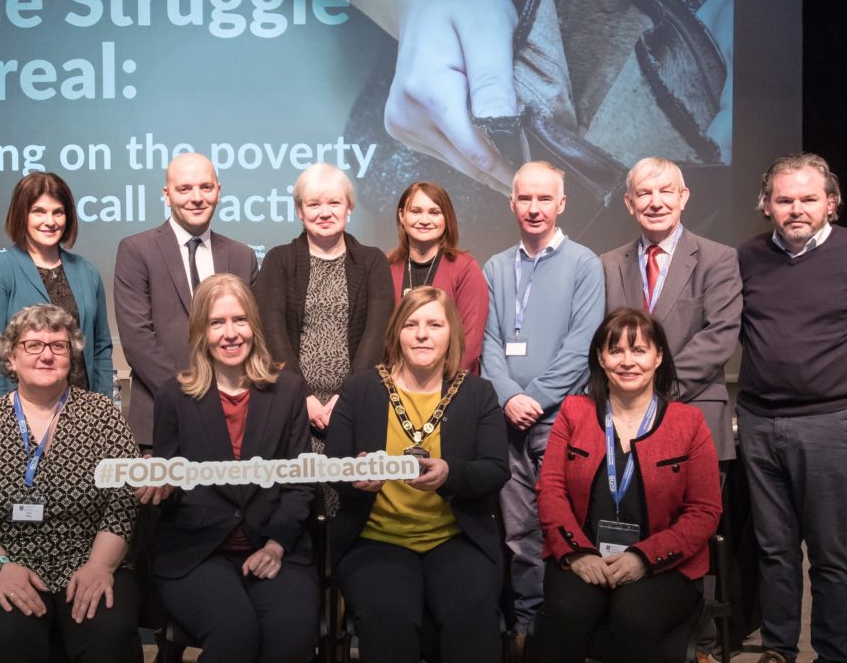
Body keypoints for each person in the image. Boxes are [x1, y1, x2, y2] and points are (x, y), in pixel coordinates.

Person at [737, 153, 847, 663]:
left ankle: (833, 655)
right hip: (759, 423)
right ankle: (778, 649)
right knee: (774, 549)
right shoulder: (747, 257)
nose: (796, 209)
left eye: (808, 199)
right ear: (766, 205)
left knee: (829, 553)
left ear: (831, 203)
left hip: (829, 425)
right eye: (784, 199)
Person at [0, 304, 142, 662]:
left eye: (58, 346)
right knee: (9, 638)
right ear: (11, 358)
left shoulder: (102, 415)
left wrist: (100, 566)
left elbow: (124, 496)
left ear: (71, 356)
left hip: (89, 558)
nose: (46, 355)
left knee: (109, 636)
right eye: (33, 345)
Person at [138, 274, 318, 663]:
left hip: (275, 544)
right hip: (197, 553)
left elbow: (300, 483)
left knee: (290, 639)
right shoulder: (174, 396)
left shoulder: (288, 390)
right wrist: (163, 487)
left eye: (240, 320)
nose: (230, 333)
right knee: (235, 635)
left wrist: (276, 545)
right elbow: (169, 483)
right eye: (217, 323)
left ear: (254, 325)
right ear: (201, 332)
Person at [327, 287, 509, 663]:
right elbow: (334, 464)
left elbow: (496, 469)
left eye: (434, 325)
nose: (422, 334)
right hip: (375, 541)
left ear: (452, 333)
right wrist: (353, 473)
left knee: (471, 617)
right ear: (396, 333)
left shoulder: (478, 393)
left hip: (457, 540)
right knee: (389, 619)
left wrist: (451, 473)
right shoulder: (360, 389)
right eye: (411, 324)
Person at [531, 307, 722, 663]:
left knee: (632, 617)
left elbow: (704, 511)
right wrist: (577, 553)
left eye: (639, 350)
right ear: (601, 358)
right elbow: (551, 490)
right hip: (585, 554)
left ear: (658, 357)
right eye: (615, 350)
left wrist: (643, 558)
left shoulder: (689, 423)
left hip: (664, 566)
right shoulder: (574, 412)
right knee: (566, 614)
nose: (627, 361)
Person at [482, 161, 605, 641]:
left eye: (544, 199)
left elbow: (582, 346)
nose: (534, 208)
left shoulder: (584, 264)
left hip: (562, 419)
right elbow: (488, 344)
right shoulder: (496, 267)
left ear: (562, 204)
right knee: (518, 531)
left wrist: (532, 398)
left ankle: (565, 627)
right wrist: (509, 397)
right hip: (506, 420)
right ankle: (528, 626)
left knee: (563, 525)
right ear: (511, 203)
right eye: (525, 199)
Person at [600, 157, 741, 461]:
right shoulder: (608, 264)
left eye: (666, 191)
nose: (656, 203)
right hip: (624, 420)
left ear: (683, 197)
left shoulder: (719, 259)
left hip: (695, 412)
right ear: (629, 203)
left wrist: (654, 389)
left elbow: (719, 336)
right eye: (644, 193)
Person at [115, 152, 259, 447]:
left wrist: (222, 402)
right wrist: (192, 400)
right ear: (167, 195)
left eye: (205, 187)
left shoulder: (242, 256)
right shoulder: (136, 250)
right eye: (184, 189)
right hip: (161, 418)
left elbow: (253, 333)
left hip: (234, 423)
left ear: (218, 191)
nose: (196, 198)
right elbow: (137, 340)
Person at [255, 162, 394, 436]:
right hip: (291, 406)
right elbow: (271, 332)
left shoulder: (373, 261)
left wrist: (347, 397)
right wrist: (301, 396)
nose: (325, 212)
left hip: (357, 404)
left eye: (334, 202)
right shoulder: (278, 260)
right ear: (299, 210)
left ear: (349, 207)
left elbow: (378, 334)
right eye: (314, 204)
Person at [0, 172, 112, 404]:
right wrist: (2, 415)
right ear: (22, 215)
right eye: (39, 211)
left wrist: (102, 406)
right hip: (19, 413)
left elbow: (100, 348)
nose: (50, 221)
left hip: (82, 410)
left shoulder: (87, 271)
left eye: (58, 212)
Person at [387, 180, 488, 374]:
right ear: (402, 216)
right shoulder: (386, 267)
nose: (424, 220)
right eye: (416, 211)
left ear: (446, 218)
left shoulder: (465, 268)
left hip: (451, 383)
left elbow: (470, 343)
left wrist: (436, 384)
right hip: (395, 382)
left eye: (434, 212)